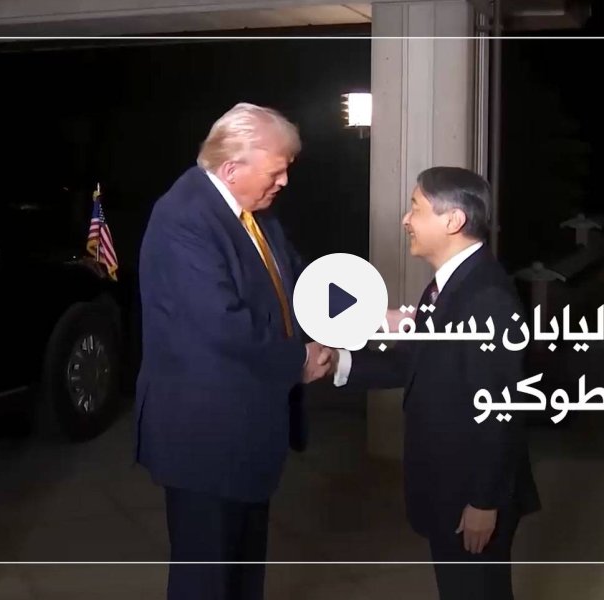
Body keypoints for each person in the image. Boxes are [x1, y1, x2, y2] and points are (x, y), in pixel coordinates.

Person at [134, 102, 332, 600]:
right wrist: (299, 361)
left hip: (246, 431)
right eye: (276, 171)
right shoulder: (183, 218)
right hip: (205, 436)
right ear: (231, 168)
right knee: (206, 580)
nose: (284, 181)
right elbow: (222, 324)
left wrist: (366, 313)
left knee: (242, 575)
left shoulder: (251, 212)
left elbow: (297, 283)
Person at [330, 167, 539, 600]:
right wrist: (338, 362)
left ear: (453, 220)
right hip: (448, 485)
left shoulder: (486, 298)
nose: (406, 220)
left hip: (471, 495)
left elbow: (500, 408)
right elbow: (412, 363)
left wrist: (484, 502)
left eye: (416, 208)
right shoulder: (446, 286)